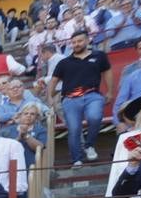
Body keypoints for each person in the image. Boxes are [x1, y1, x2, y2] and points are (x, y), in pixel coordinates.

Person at [47, 29, 113, 166]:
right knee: (74, 129)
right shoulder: (64, 62)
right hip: (70, 99)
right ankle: (76, 159)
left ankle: (89, 145)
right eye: (74, 42)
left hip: (93, 95)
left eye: (79, 41)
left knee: (95, 117)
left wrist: (110, 91)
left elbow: (107, 72)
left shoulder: (99, 56)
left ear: (88, 40)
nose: (76, 44)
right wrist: (49, 97)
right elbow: (53, 81)